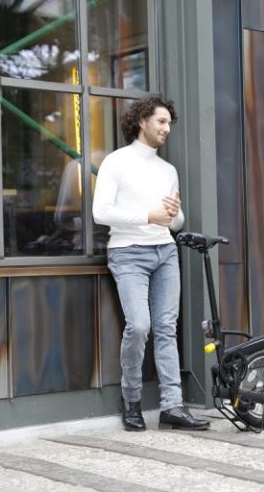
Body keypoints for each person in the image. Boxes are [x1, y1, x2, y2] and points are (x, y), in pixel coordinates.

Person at [93, 97, 210, 432]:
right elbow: (100, 212)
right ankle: (131, 400)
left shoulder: (167, 170)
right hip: (128, 252)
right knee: (139, 326)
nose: (166, 128)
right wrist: (149, 215)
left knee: (166, 329)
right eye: (161, 121)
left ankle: (172, 406)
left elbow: (175, 222)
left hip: (164, 251)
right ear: (141, 121)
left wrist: (174, 215)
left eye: (169, 123)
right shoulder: (116, 162)